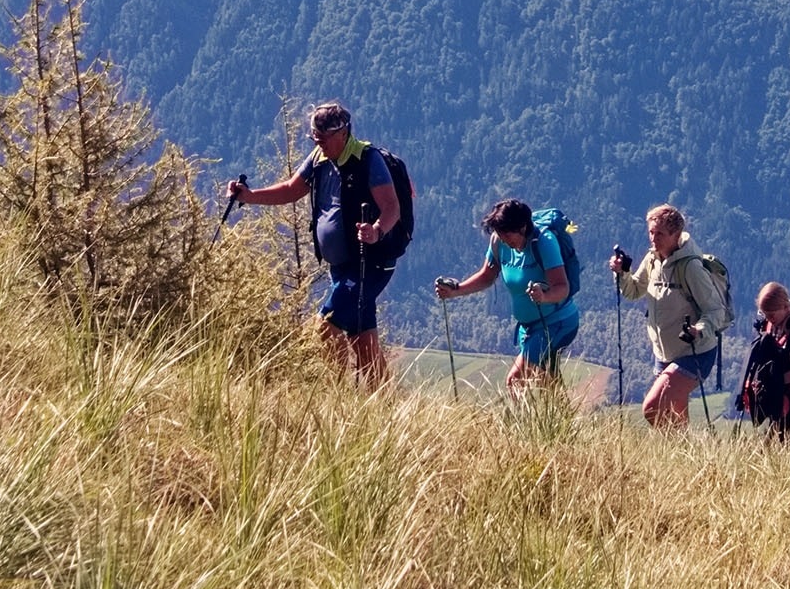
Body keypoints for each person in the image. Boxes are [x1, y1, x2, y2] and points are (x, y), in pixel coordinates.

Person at [224, 101, 401, 381]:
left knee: (325, 325)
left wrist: (376, 230)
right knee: (363, 342)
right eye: (314, 138)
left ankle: (339, 394)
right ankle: (386, 406)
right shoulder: (319, 158)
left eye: (323, 138)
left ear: (342, 133)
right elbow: (291, 190)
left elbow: (392, 206)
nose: (318, 143)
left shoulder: (368, 160)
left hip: (370, 263)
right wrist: (249, 196)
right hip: (341, 266)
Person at [431, 199, 577, 394]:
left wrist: (544, 296)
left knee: (515, 381)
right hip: (529, 328)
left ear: (523, 227)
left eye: (507, 233)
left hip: (556, 322)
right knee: (548, 384)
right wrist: (456, 290)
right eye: (499, 233)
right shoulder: (498, 242)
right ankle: (562, 423)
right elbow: (486, 276)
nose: (504, 238)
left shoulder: (544, 243)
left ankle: (520, 424)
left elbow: (562, 288)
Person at [610, 204, 729, 430]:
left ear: (676, 235)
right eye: (651, 232)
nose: (653, 239)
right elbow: (633, 291)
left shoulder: (691, 267)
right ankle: (684, 456)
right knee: (675, 418)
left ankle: (681, 451)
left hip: (695, 352)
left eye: (660, 234)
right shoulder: (653, 259)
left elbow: (715, 310)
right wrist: (621, 273)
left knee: (653, 408)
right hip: (664, 352)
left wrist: (698, 329)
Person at [737, 281, 790, 442]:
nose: (769, 319)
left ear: (784, 307)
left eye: (772, 315)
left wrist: (771, 384)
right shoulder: (770, 325)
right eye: (764, 314)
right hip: (778, 391)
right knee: (777, 433)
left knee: (782, 432)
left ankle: (786, 462)